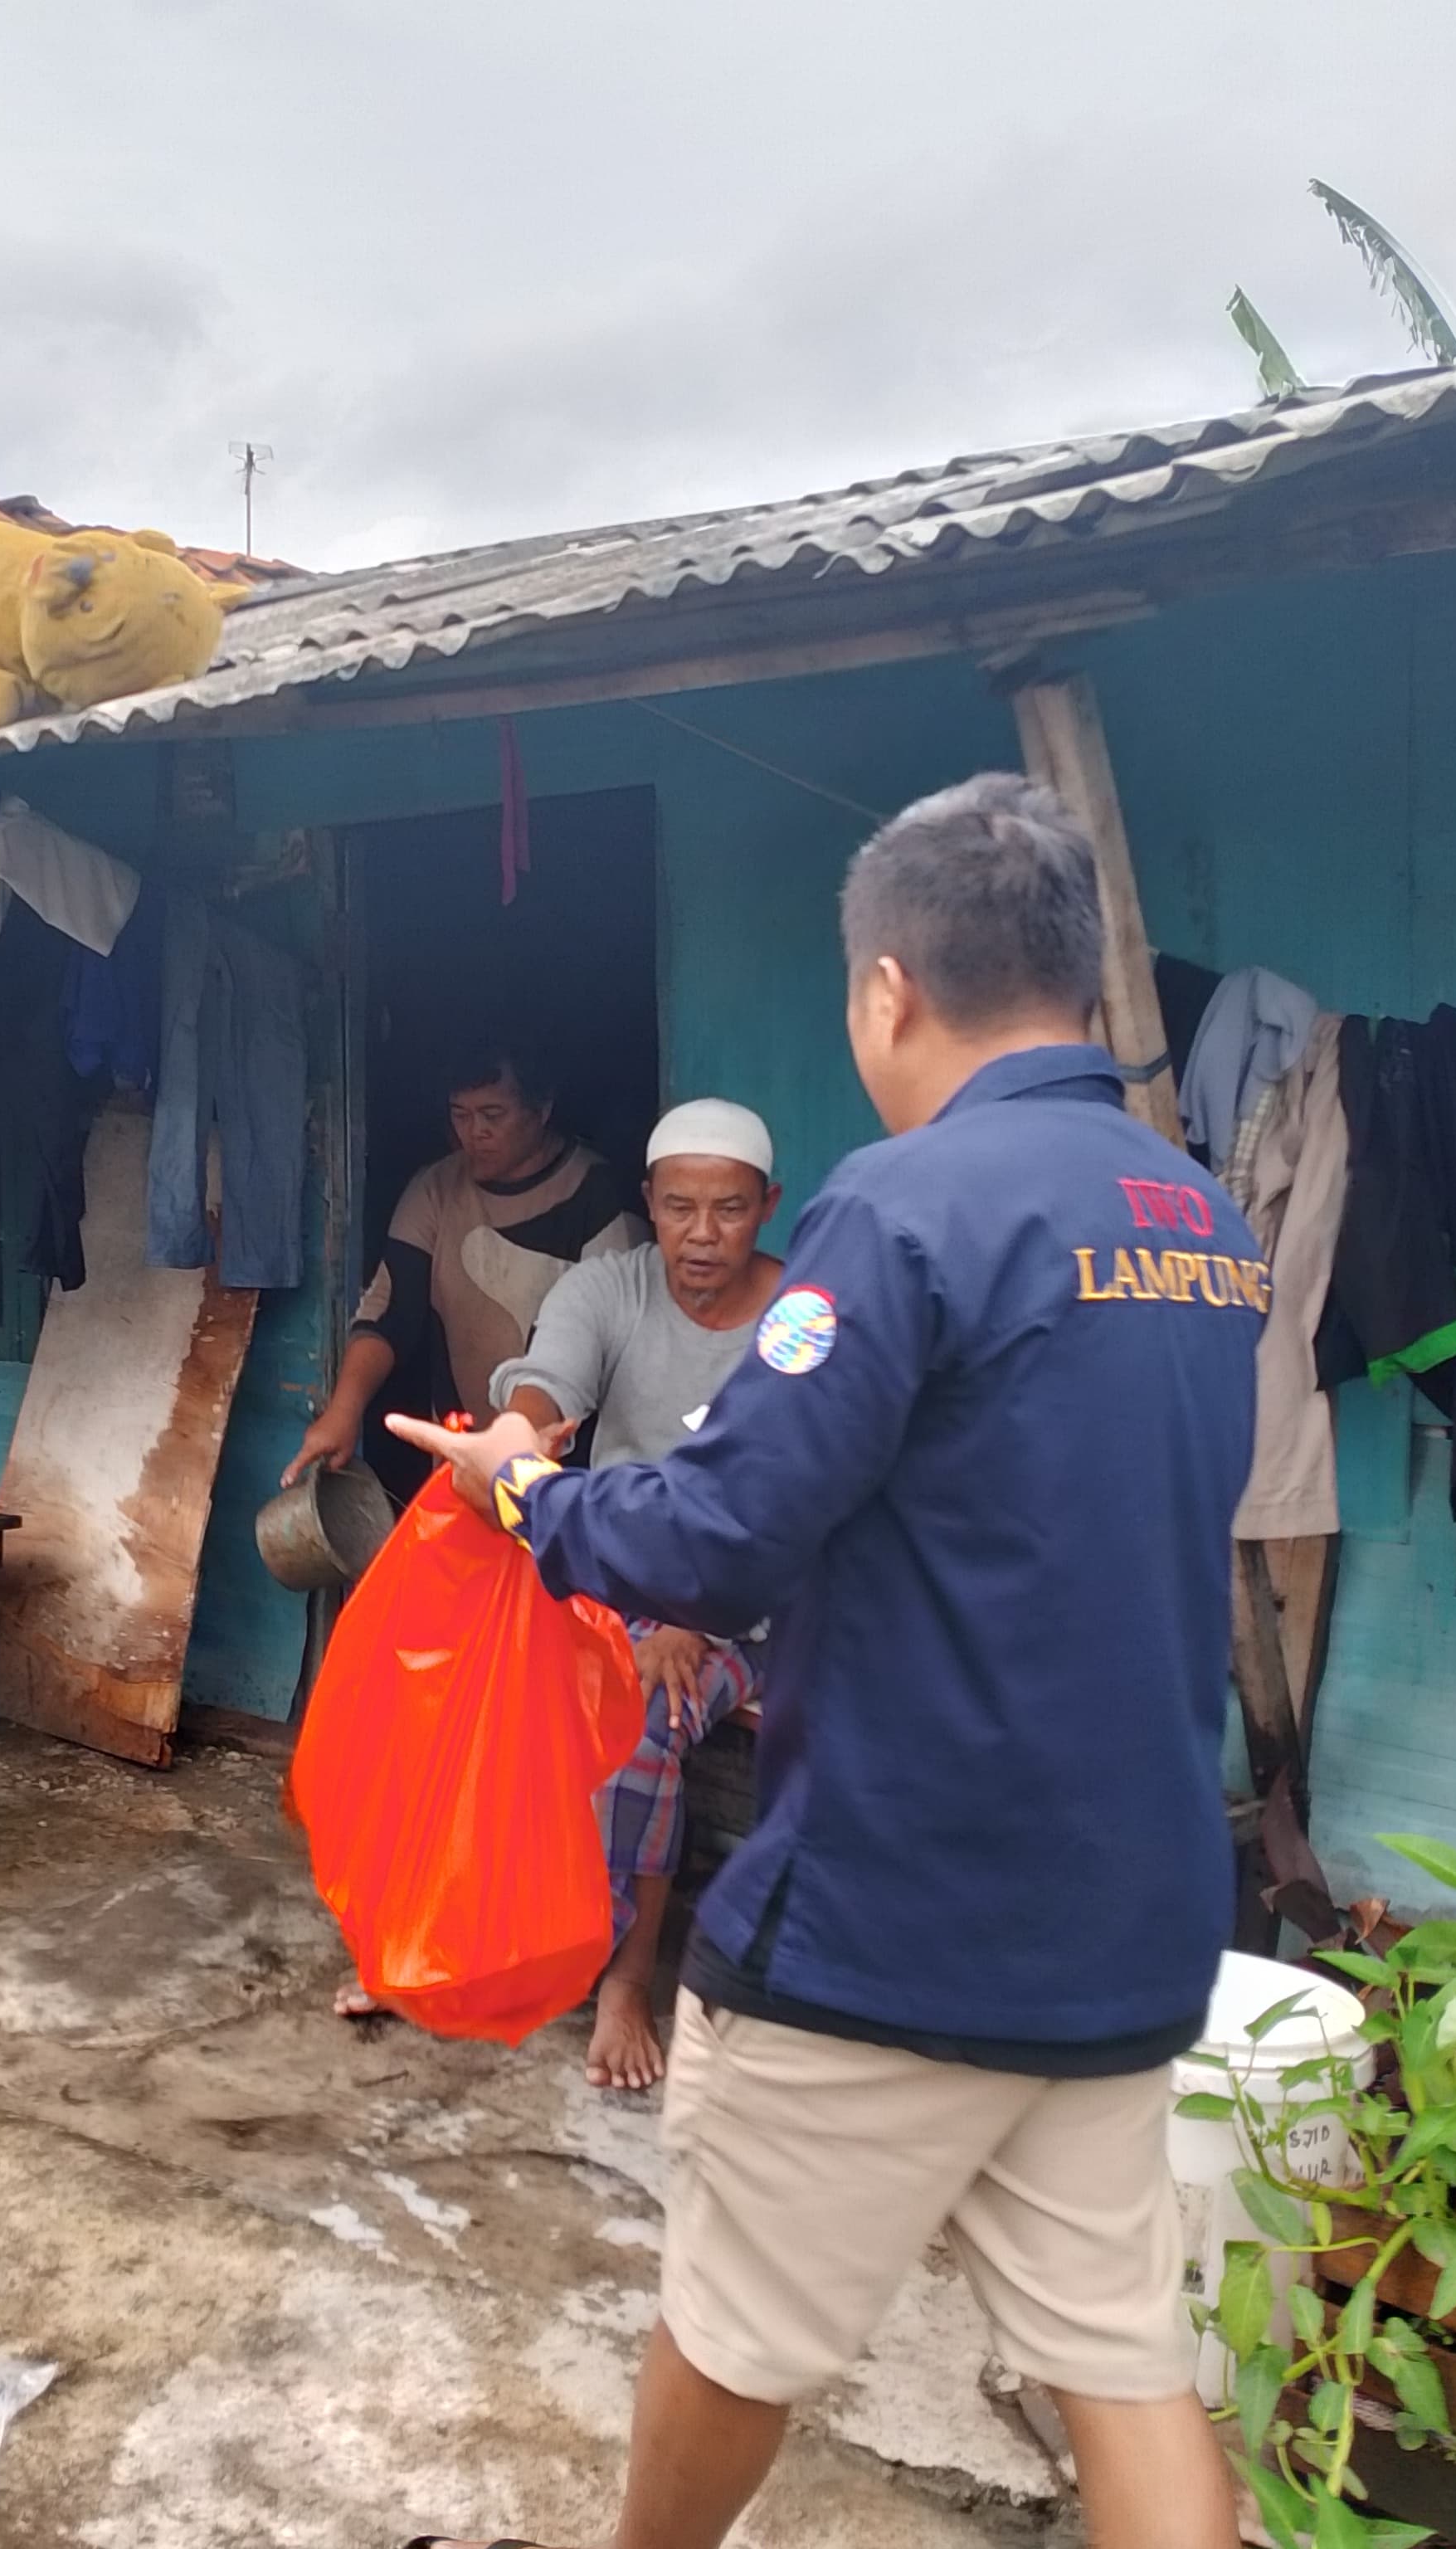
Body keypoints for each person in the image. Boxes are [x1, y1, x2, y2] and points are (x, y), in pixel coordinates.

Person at [396, 772, 1260, 2549]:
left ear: (887, 991)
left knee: (731, 2329)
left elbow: (719, 1532)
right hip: (1131, 1912)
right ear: (1082, 981)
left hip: (899, 1912)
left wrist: (527, 1497)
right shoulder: (1196, 1220)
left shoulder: (905, 1208)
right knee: (1127, 2369)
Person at [489, 1098, 784, 2093]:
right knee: (471, 1674)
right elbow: (545, 1384)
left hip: (751, 1609)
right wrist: (522, 1440)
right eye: (680, 1208)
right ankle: (453, 1941)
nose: (703, 1235)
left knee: (642, 1713)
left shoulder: (803, 1324)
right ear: (649, 1205)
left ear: (768, 1207)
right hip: (620, 1585)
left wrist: (694, 1621)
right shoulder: (606, 1289)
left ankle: (623, 1976)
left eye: (731, 1210)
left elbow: (791, 1498)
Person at [283, 1039, 645, 1489]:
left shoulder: (597, 1195)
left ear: (543, 1108)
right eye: (461, 1114)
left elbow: (622, 1343)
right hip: (465, 1463)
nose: (475, 1132)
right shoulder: (436, 1189)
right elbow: (391, 1310)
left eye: (493, 1116)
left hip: (572, 1471)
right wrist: (344, 1410)